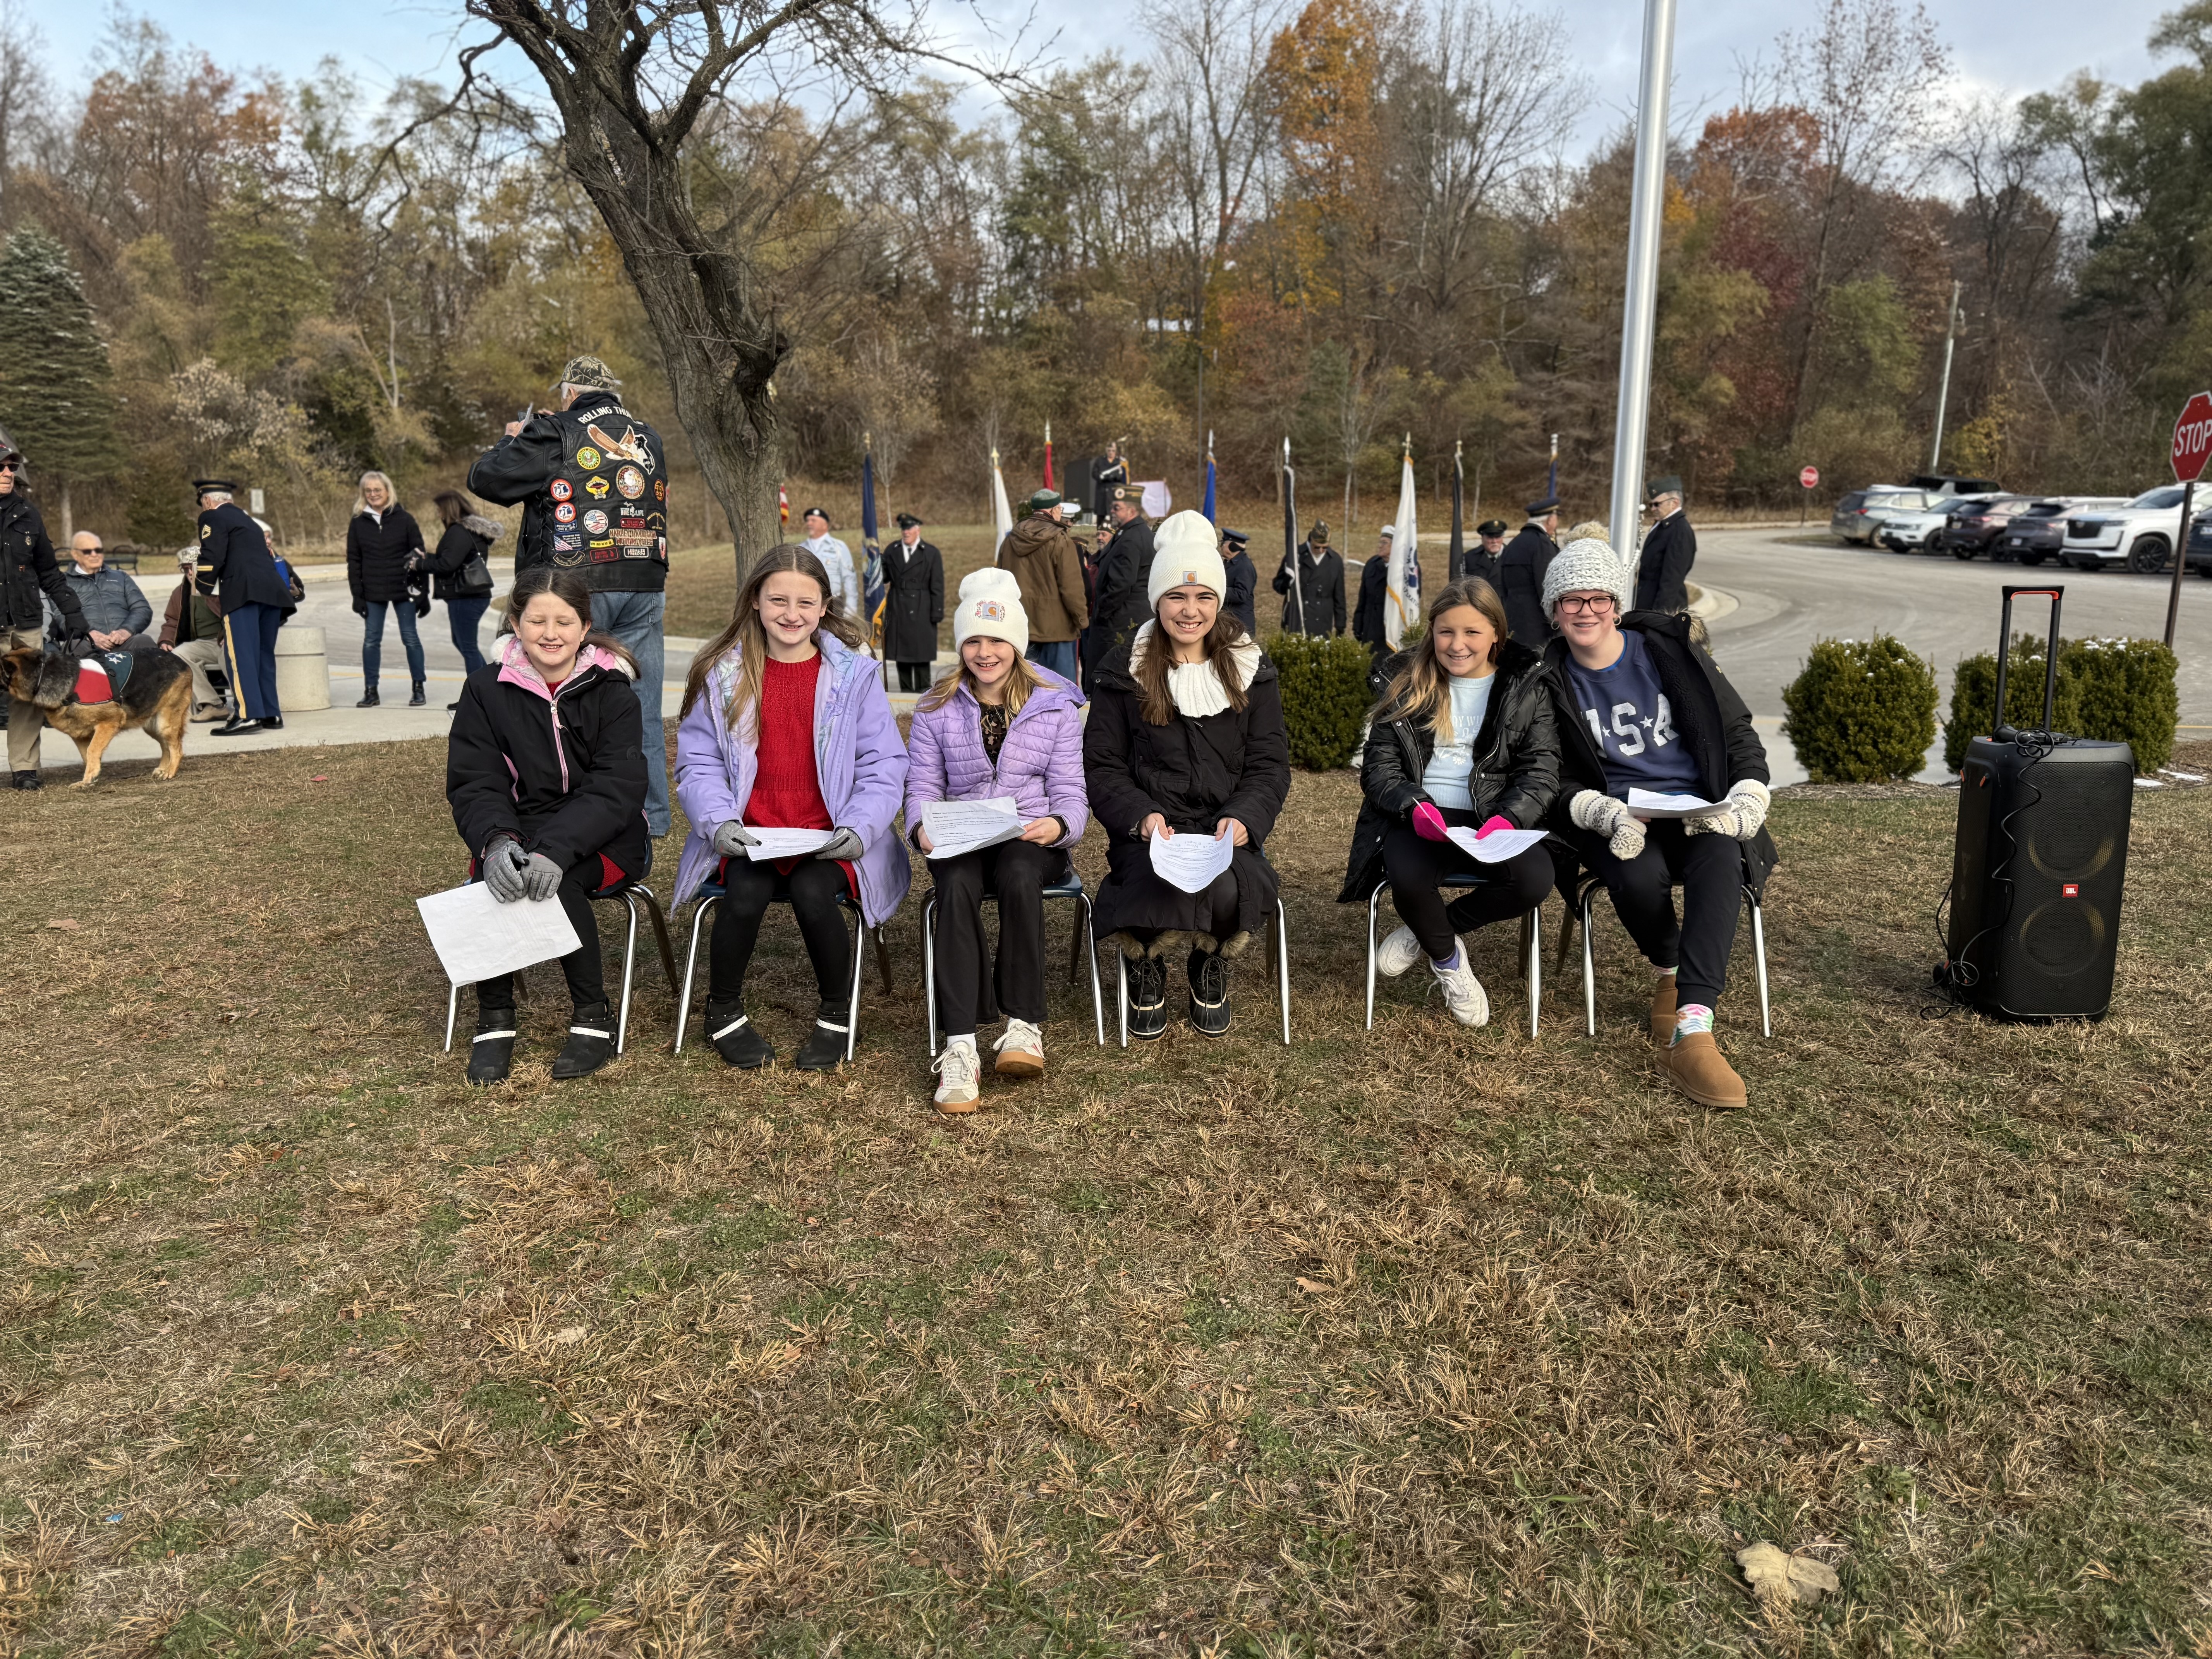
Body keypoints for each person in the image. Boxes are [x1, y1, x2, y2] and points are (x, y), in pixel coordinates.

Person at [1537, 537, 1775, 1110]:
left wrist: (1748, 795)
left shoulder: (1670, 652)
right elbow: (1550, 776)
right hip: (1620, 817)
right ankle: (1669, 968)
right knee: (1633, 872)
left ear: (1617, 605)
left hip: (1698, 808)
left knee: (1720, 859)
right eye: (1572, 599)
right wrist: (1601, 811)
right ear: (1554, 610)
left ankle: (1693, 1028)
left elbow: (1735, 730)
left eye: (1599, 598)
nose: (1586, 610)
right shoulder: (1546, 680)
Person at [672, 546, 910, 1071]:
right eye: (777, 599)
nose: (791, 613)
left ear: (824, 607)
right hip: (750, 833)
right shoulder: (725, 673)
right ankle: (723, 1011)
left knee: (811, 891)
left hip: (831, 835)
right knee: (744, 894)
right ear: (755, 601)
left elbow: (884, 764)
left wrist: (860, 827)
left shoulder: (855, 677)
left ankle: (836, 1012)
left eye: (806, 602)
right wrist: (719, 824)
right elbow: (698, 763)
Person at [1085, 510, 1291, 1039]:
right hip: (1152, 830)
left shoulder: (1251, 668)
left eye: (1204, 597)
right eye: (1177, 596)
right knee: (1155, 882)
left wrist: (1245, 819)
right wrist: (1143, 819)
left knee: (1227, 888)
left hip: (1225, 829)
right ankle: (1147, 962)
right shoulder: (1121, 670)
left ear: (1219, 601)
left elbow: (1269, 765)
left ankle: (1208, 962)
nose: (1190, 610)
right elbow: (1104, 766)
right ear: (1158, 600)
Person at [447, 567, 649, 1085]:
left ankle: (592, 1017)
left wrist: (555, 852)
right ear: (516, 623)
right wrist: (497, 843)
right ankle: (494, 1019)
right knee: (490, 878)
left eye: (564, 621)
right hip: (519, 826)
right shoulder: (484, 691)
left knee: (559, 884)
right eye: (537, 620)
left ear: (585, 627)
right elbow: (477, 782)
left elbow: (617, 788)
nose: (550, 632)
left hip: (610, 834)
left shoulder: (614, 692)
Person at [466, 354, 674, 838]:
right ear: (613, 393)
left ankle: (569, 812)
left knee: (559, 702)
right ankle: (652, 816)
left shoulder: (553, 430)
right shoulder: (649, 436)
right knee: (637, 701)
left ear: (568, 393)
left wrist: (513, 438)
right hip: (644, 579)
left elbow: (486, 480)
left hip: (571, 585)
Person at [905, 568, 1089, 1110]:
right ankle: (961, 1045)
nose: (986, 653)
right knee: (957, 885)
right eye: (974, 641)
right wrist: (920, 828)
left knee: (1017, 870)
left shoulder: (1053, 704)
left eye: (998, 641)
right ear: (961, 643)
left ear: (1017, 644)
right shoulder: (936, 707)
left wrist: (1059, 826)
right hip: (962, 837)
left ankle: (1023, 1025)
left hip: (1030, 838)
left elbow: (1071, 791)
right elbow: (921, 784)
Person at [1339, 578, 1559, 1025]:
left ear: (1497, 634)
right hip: (1421, 815)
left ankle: (1430, 930)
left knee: (1535, 880)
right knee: (1407, 876)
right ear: (1432, 633)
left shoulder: (1526, 687)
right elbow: (1379, 767)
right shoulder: (1405, 682)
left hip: (1490, 816)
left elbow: (1542, 769)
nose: (1457, 645)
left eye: (1472, 633)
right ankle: (1448, 962)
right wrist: (1411, 805)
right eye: (1446, 632)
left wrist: (1510, 817)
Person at [0, 430, 88, 789]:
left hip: (25, 622)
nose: (9, 473)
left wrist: (74, 613)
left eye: (12, 467)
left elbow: (49, 571)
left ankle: (25, 770)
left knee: (25, 698)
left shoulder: (27, 514)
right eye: (2, 467)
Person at [194, 479, 290, 737]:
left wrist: (202, 585)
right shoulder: (251, 523)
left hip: (242, 593)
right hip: (272, 593)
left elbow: (212, 553)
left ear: (207, 501)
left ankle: (248, 715)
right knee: (262, 657)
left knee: (241, 657)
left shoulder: (212, 517)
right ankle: (271, 713)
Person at [345, 471, 429, 708]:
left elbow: (420, 556)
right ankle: (371, 691)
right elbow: (354, 561)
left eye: (377, 490)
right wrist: (357, 595)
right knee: (371, 640)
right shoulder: (358, 522)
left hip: (404, 590)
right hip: (372, 591)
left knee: (410, 638)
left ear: (387, 491)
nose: (373, 495)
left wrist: (423, 595)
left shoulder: (405, 520)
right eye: (368, 491)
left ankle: (418, 688)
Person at [996, 489, 1088, 684]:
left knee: (1022, 690)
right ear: (1056, 510)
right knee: (1060, 692)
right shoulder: (1060, 540)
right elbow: (1072, 588)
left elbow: (1000, 581)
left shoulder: (1010, 540)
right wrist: (1082, 620)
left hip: (1020, 626)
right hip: (1058, 629)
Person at [421, 490, 502, 706]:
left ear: (449, 509)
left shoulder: (459, 531)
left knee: (467, 646)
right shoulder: (469, 531)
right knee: (464, 644)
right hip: (470, 595)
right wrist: (427, 558)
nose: (438, 514)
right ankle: (486, 693)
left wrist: (418, 565)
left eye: (440, 510)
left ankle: (482, 698)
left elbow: (447, 565)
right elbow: (452, 559)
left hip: (466, 596)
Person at [1084, 481, 1156, 682]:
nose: (1112, 512)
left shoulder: (1132, 539)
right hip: (1122, 617)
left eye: (1117, 508)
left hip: (1120, 621)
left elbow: (1121, 584)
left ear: (1132, 510)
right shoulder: (1129, 534)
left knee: (1112, 677)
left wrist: (1103, 612)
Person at [158, 546, 230, 721]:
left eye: (195, 567)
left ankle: (246, 706)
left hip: (227, 639)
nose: (191, 572)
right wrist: (166, 640)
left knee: (228, 656)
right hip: (203, 644)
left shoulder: (222, 586)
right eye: (186, 568)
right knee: (178, 655)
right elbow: (172, 621)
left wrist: (207, 591)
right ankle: (213, 705)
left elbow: (233, 615)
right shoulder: (180, 592)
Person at [881, 512, 944, 692]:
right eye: (903, 529)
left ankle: (924, 693)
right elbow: (885, 579)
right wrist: (876, 564)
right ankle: (907, 692)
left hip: (922, 607)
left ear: (918, 530)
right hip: (898, 607)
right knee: (903, 655)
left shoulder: (931, 553)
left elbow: (937, 585)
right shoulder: (892, 550)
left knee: (921, 654)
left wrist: (937, 612)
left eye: (909, 529)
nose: (905, 532)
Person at [62, 532, 153, 652]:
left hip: (125, 642)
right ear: (75, 555)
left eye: (98, 550)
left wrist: (126, 631)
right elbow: (61, 617)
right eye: (87, 551)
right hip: (87, 643)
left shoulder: (121, 577)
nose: (95, 555)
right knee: (75, 648)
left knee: (145, 642)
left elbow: (142, 608)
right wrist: (88, 635)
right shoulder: (62, 582)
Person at [1498, 496, 1561, 644]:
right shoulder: (1543, 545)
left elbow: (1504, 588)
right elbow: (1547, 588)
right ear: (1550, 520)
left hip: (1515, 622)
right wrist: (1556, 619)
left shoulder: (1513, 544)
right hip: (1540, 628)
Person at [1274, 519, 1346, 637]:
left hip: (1322, 622)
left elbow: (1339, 596)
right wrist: (1288, 580)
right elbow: (1278, 586)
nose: (1321, 551)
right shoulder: (1295, 555)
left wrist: (1341, 625)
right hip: (1298, 619)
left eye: (1325, 548)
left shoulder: (1335, 561)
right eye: (1317, 547)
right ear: (1310, 541)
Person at [1635, 475, 1697, 613]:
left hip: (1661, 608)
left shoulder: (1680, 530)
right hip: (1646, 602)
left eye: (1657, 504)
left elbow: (1671, 581)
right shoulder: (1663, 525)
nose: (1653, 508)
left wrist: (1658, 616)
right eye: (1651, 505)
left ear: (1674, 503)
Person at [798, 507, 859, 617]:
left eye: (814, 521)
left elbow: (849, 579)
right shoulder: (801, 548)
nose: (809, 524)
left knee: (834, 635)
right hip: (806, 602)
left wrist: (851, 610)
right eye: (808, 521)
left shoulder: (838, 547)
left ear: (825, 525)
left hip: (833, 604)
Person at [1351, 525, 1393, 662]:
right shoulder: (1372, 564)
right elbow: (1363, 597)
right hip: (1370, 628)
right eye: (1380, 542)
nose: (1380, 546)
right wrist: (1358, 624)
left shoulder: (1405, 569)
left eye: (1385, 543)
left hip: (1389, 634)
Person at [1220, 527, 1257, 639]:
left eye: (1224, 543)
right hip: (1231, 622)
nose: (1221, 547)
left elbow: (1242, 594)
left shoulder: (1244, 567)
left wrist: (1219, 590)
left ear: (1232, 546)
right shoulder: (1232, 563)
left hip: (1240, 624)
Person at [1462, 519, 1508, 589]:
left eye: (1498, 537)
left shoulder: (1513, 556)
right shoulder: (1470, 558)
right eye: (1490, 538)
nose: (1494, 541)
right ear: (1483, 539)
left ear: (1502, 538)